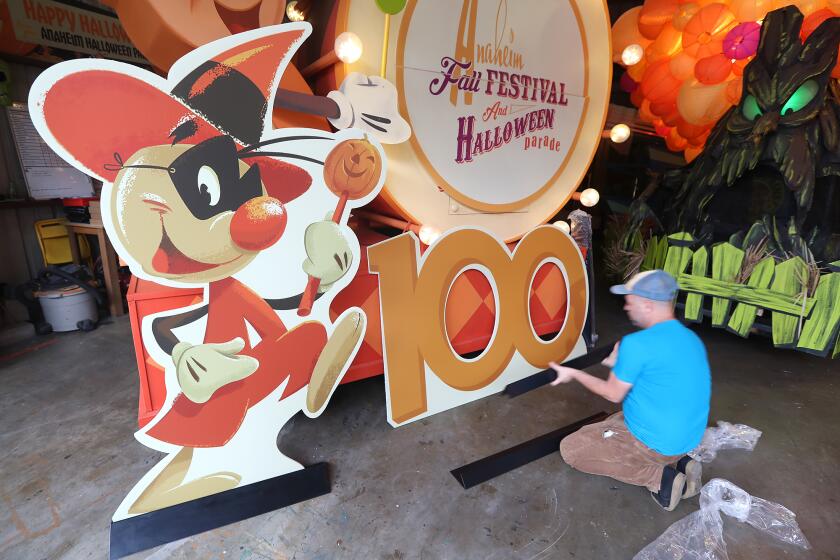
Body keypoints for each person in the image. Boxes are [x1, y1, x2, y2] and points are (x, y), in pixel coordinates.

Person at [549, 270, 711, 511]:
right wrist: (621, 363)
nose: (626, 307)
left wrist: (574, 374)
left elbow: (612, 393)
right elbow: (659, 378)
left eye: (630, 301)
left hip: (654, 442)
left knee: (571, 449)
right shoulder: (690, 338)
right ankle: (681, 461)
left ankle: (660, 479)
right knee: (614, 419)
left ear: (646, 305)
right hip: (687, 437)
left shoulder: (638, 344)